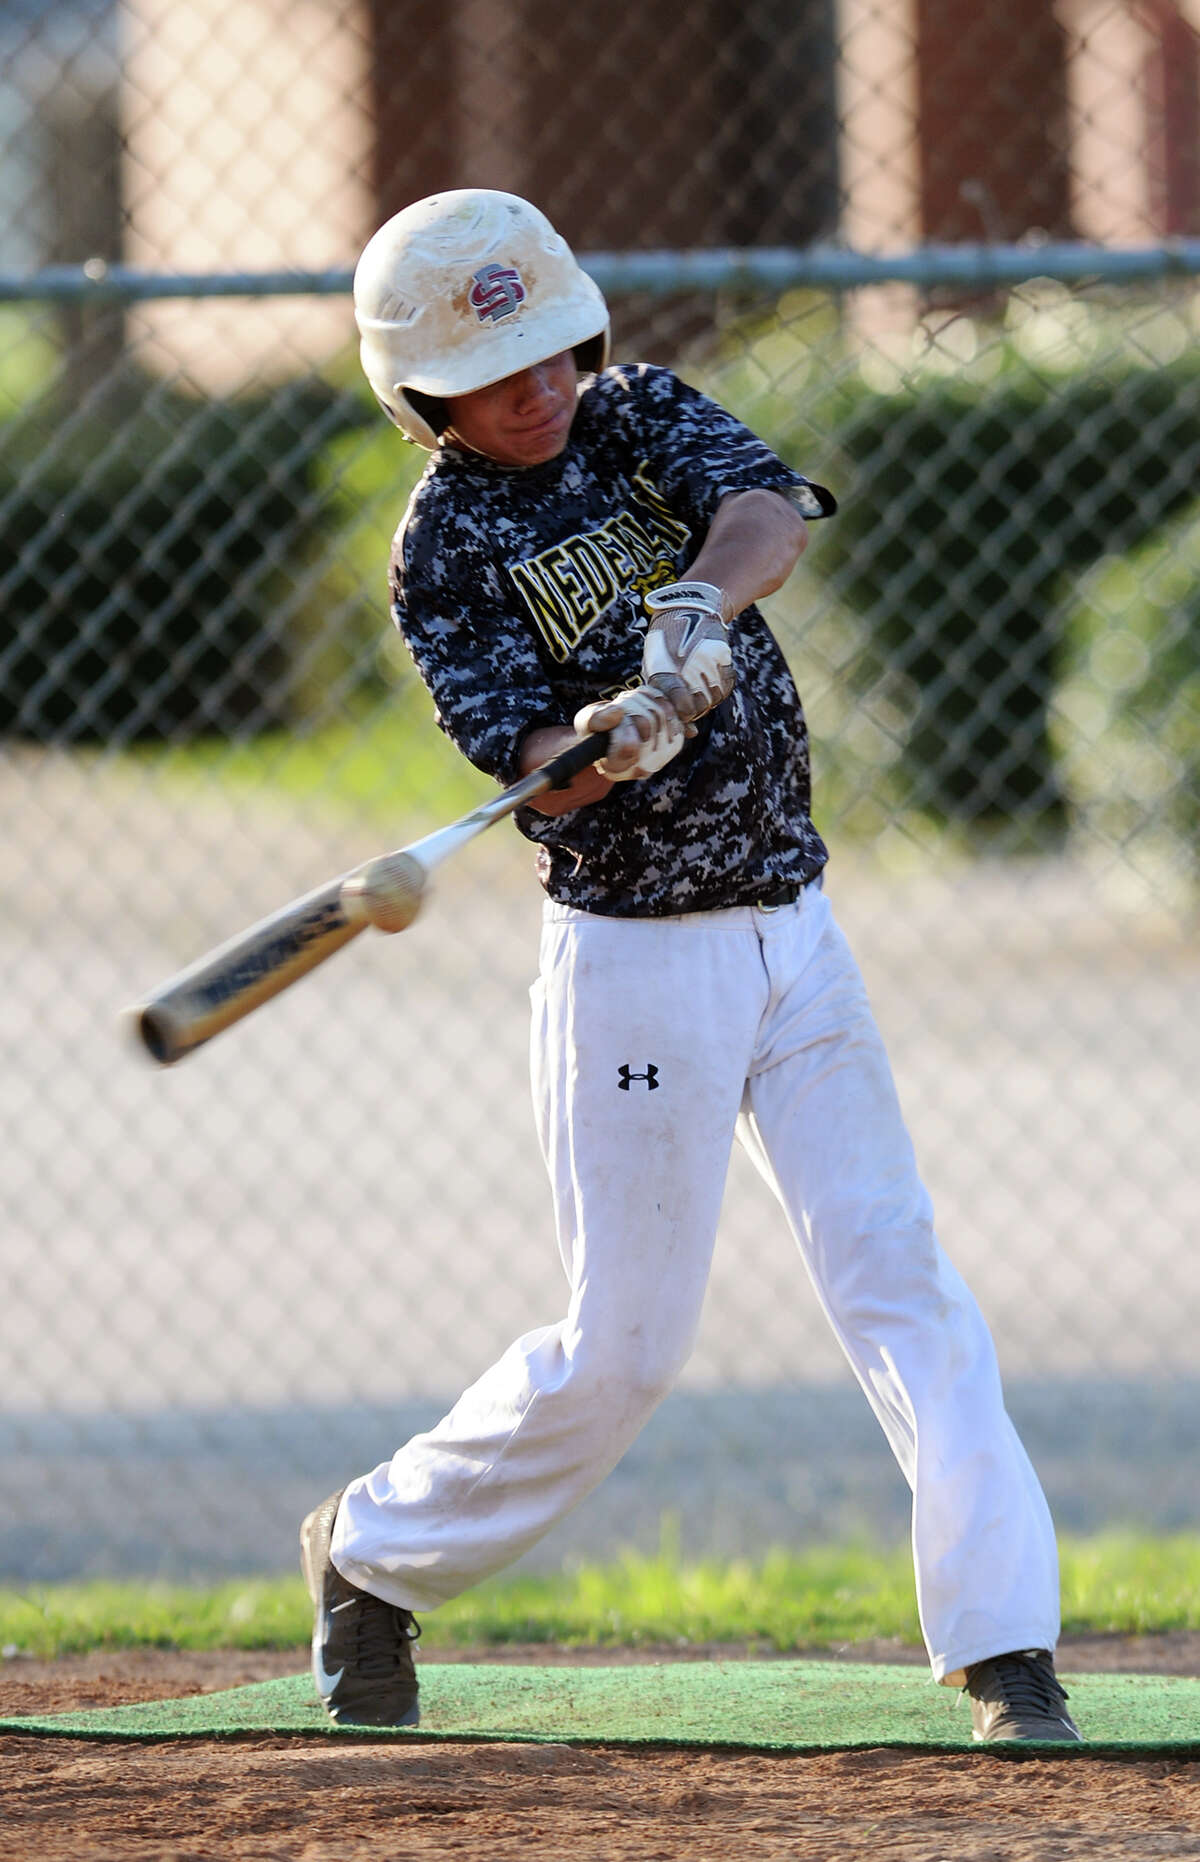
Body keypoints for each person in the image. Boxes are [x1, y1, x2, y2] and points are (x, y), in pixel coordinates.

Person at [300, 188, 1081, 1745]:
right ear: (422, 394)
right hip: (638, 966)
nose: (538, 387)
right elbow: (527, 757)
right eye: (494, 368)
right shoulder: (443, 549)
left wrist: (692, 613)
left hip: (798, 928)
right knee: (628, 1346)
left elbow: (768, 516)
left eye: (548, 350)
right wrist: (606, 744)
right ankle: (374, 1551)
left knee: (900, 1275)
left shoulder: (636, 412)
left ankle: (1005, 1646)